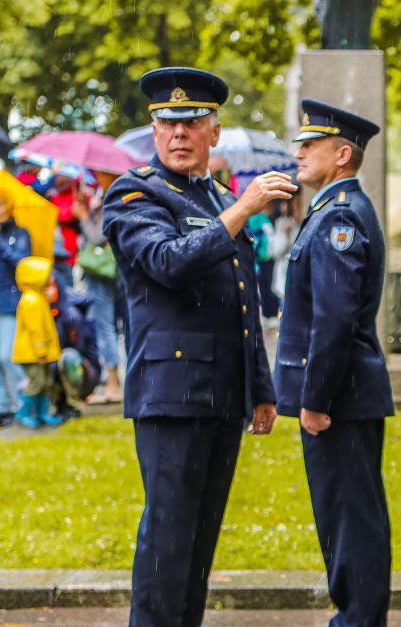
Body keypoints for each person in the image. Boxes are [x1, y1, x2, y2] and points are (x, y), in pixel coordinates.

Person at [102, 67, 290, 627]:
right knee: (168, 539)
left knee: (200, 538)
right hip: (171, 392)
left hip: (223, 393)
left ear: (214, 131)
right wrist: (240, 212)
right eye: (167, 123)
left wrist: (260, 388)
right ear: (155, 130)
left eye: (192, 122)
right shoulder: (135, 194)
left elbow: (243, 303)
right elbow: (166, 263)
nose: (179, 134)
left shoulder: (219, 197)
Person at [275, 98, 394, 627]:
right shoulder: (333, 209)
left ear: (342, 154)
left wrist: (316, 400)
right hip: (345, 394)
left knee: (350, 518)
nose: (299, 152)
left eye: (311, 145)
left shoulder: (338, 216)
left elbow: (334, 320)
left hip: (339, 398)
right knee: (347, 514)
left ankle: (357, 619)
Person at [0, 188, 30, 428]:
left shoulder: (19, 234)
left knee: (8, 356)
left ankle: (21, 405)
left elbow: (22, 264)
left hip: (9, 303)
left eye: (0, 204)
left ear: (10, 207)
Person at [79, 172, 124, 404]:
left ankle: (113, 384)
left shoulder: (112, 197)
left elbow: (98, 237)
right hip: (111, 272)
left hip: (102, 274)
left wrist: (84, 216)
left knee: (104, 326)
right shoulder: (111, 197)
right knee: (111, 327)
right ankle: (113, 381)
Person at [11, 256, 62, 428]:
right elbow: (36, 331)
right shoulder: (31, 301)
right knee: (36, 382)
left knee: (46, 382)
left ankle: (42, 413)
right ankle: (22, 413)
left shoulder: (38, 298)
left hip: (41, 353)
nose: (51, 279)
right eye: (47, 275)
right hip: (33, 354)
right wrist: (41, 351)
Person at [49, 267, 102, 420]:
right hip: (56, 363)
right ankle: (56, 404)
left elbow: (78, 349)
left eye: (50, 287)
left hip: (85, 370)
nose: (46, 292)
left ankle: (71, 402)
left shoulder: (71, 315)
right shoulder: (43, 312)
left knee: (67, 357)